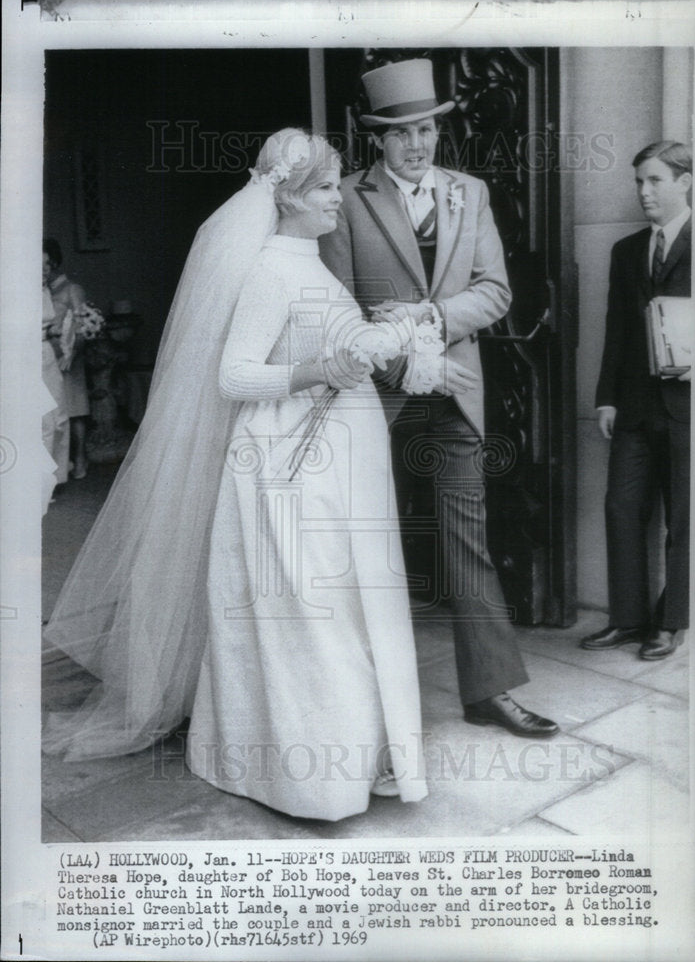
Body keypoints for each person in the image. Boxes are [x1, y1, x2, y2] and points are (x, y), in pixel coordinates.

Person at [44, 128, 428, 822]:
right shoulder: (270, 271)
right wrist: (321, 368)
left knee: (339, 610)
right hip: (283, 465)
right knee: (306, 620)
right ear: (282, 197)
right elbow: (235, 374)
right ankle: (305, 775)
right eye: (320, 188)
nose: (334, 198)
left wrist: (387, 334)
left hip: (332, 466)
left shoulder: (311, 265)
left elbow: (325, 341)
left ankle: (350, 755)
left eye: (333, 184)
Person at [320, 58, 558, 738]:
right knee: (363, 542)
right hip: (374, 397)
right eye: (400, 134)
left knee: (466, 542)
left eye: (425, 129)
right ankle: (355, 704)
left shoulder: (469, 193)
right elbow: (337, 313)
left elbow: (496, 292)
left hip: (455, 393)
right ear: (377, 139)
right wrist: (400, 358)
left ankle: (489, 690)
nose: (416, 144)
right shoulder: (344, 199)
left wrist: (425, 322)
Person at [581, 140, 692, 661]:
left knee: (685, 518)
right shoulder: (626, 251)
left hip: (692, 407)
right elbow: (617, 332)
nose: (644, 192)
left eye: (655, 181)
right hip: (634, 407)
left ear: (685, 181)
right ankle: (627, 619)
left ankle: (670, 624)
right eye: (639, 182)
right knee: (622, 507)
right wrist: (606, 399)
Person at [43, 238, 90, 480]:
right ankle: (61, 464)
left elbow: (82, 324)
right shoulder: (43, 289)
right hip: (50, 356)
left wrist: (72, 354)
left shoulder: (71, 288)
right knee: (55, 413)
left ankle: (80, 458)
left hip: (70, 357)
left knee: (75, 409)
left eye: (48, 262)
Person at [41, 279, 70, 509]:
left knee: (58, 417)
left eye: (48, 265)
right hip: (24, 355)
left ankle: (53, 478)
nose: (45, 270)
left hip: (47, 353)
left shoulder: (46, 291)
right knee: (44, 423)